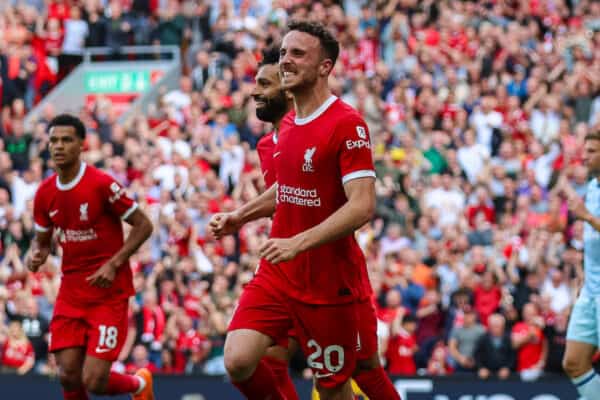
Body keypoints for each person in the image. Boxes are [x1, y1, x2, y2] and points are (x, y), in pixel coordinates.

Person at [210, 21, 400, 400]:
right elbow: (289, 189)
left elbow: (362, 205)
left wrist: (300, 241)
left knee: (345, 382)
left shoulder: (347, 124)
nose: (285, 61)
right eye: (283, 53)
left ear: (325, 67)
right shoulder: (290, 123)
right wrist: (240, 216)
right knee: (237, 359)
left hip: (329, 280)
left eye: (298, 54)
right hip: (280, 272)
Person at [27, 114, 155, 400]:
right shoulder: (44, 194)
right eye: (54, 141)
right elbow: (43, 242)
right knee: (68, 376)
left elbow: (144, 224)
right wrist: (36, 255)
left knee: (94, 380)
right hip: (71, 293)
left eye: (66, 140)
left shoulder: (101, 184)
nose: (59, 146)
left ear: (81, 145)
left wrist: (114, 263)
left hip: (107, 293)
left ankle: (139, 385)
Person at [563, 131, 600, 398]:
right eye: (585, 150)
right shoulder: (593, 187)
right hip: (591, 290)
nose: (584, 156)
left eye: (591, 151)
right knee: (574, 362)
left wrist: (586, 216)